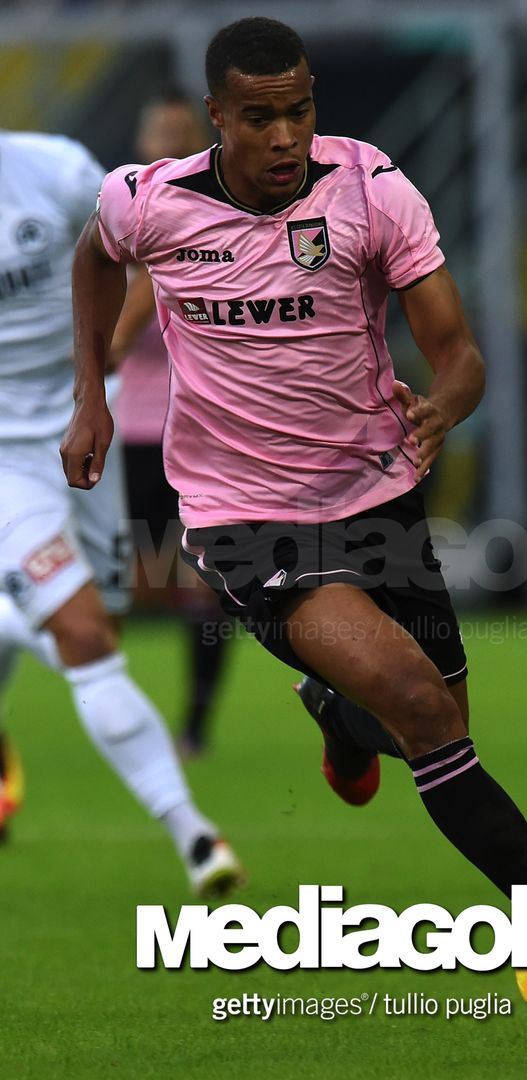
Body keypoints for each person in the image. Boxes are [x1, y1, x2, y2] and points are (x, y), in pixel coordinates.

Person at [62, 16, 527, 909]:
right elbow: (95, 258)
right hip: (240, 513)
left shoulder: (372, 190)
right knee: (417, 701)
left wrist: (442, 408)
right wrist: (91, 393)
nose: (286, 135)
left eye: (299, 110)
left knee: (439, 719)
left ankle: (338, 718)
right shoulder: (149, 200)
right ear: (217, 115)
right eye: (260, 117)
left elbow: (459, 355)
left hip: (377, 491)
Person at [0, 128, 242, 895]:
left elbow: (141, 256)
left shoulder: (57, 169)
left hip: (82, 423)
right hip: (4, 461)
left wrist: (102, 354)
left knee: (104, 623)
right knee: (81, 636)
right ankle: (195, 833)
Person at [111, 90, 230, 757]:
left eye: (187, 136)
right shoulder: (116, 226)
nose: (174, 146)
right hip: (129, 431)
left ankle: (194, 727)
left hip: (204, 430)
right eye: (164, 133)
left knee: (206, 583)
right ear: (141, 144)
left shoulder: (223, 228)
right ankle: (114, 711)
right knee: (122, 583)